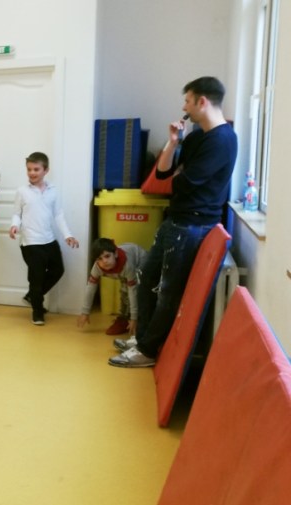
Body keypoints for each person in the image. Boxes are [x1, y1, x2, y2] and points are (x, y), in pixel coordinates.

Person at [109, 76, 238, 368]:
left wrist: (178, 177)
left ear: (202, 102)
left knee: (168, 290)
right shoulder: (194, 137)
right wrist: (172, 142)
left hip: (194, 225)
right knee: (146, 278)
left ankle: (147, 351)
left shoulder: (223, 140)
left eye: (187, 101)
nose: (184, 107)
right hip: (175, 219)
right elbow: (165, 175)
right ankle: (142, 339)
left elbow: (184, 183)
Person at [9, 152, 79, 325]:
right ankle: (37, 312)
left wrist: (68, 235)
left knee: (58, 270)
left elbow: (58, 215)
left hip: (49, 239)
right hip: (30, 242)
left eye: (36, 169)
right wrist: (14, 225)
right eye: (29, 169)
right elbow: (17, 213)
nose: (32, 173)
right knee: (36, 278)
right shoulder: (22, 191)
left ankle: (32, 296)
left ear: (45, 170)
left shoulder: (52, 191)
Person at [76, 238, 146, 337]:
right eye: (99, 259)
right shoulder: (97, 267)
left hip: (140, 259)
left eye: (107, 256)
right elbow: (90, 288)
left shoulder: (127, 265)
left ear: (115, 254)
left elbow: (133, 291)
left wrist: (134, 318)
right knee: (125, 288)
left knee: (134, 290)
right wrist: (85, 312)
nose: (104, 261)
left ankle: (138, 319)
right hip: (124, 260)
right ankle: (124, 319)